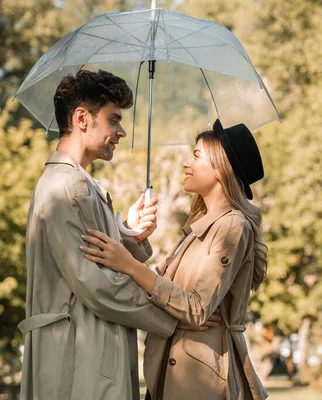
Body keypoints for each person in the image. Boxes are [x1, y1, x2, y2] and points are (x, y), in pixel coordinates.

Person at [18, 70, 219, 400]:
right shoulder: (67, 187)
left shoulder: (76, 184)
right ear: (82, 118)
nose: (122, 132)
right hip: (77, 364)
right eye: (113, 120)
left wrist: (129, 235)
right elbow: (97, 287)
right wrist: (175, 318)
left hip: (87, 356)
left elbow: (96, 261)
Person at [81, 119, 269, 400]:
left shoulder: (233, 226)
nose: (186, 164)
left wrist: (128, 264)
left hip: (200, 379)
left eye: (196, 155)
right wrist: (132, 237)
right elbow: (162, 292)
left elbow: (196, 308)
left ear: (221, 167)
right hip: (174, 369)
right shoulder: (199, 227)